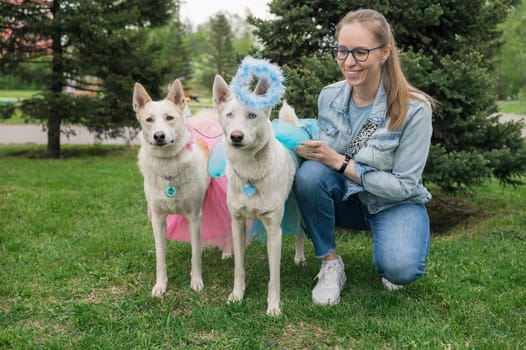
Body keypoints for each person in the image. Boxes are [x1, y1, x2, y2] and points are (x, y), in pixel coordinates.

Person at [293, 8, 435, 306]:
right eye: (342, 51)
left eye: (360, 52)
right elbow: (324, 165)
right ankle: (331, 264)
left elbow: (405, 187)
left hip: (393, 203)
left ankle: (391, 254)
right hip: (347, 197)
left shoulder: (415, 109)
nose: (348, 62)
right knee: (308, 176)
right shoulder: (329, 95)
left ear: (384, 52)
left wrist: (339, 162)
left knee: (401, 270)